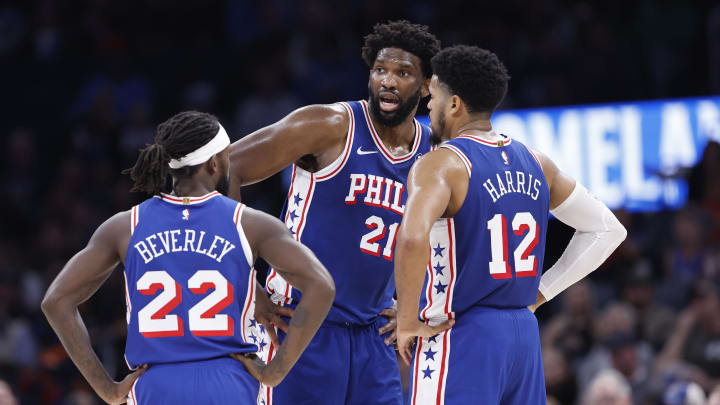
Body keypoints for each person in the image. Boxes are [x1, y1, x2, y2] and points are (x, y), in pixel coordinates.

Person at [41, 111, 335, 405]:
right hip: (228, 382)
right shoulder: (250, 223)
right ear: (214, 162)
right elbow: (321, 285)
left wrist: (107, 389)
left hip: (155, 385)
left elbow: (56, 301)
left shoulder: (124, 226)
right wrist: (275, 372)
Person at [394, 45, 627, 404]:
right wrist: (542, 292)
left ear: (454, 104)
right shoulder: (537, 162)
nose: (428, 106)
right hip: (523, 335)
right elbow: (608, 230)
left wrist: (407, 320)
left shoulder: (442, 164)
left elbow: (411, 237)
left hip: (462, 333)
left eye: (435, 95)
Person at [227, 20, 440, 405]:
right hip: (298, 324)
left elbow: (451, 238)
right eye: (380, 70)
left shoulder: (434, 155)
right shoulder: (330, 126)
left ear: (427, 86)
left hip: (374, 335)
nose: (388, 82)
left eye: (403, 73)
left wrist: (419, 307)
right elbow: (224, 167)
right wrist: (245, 281)